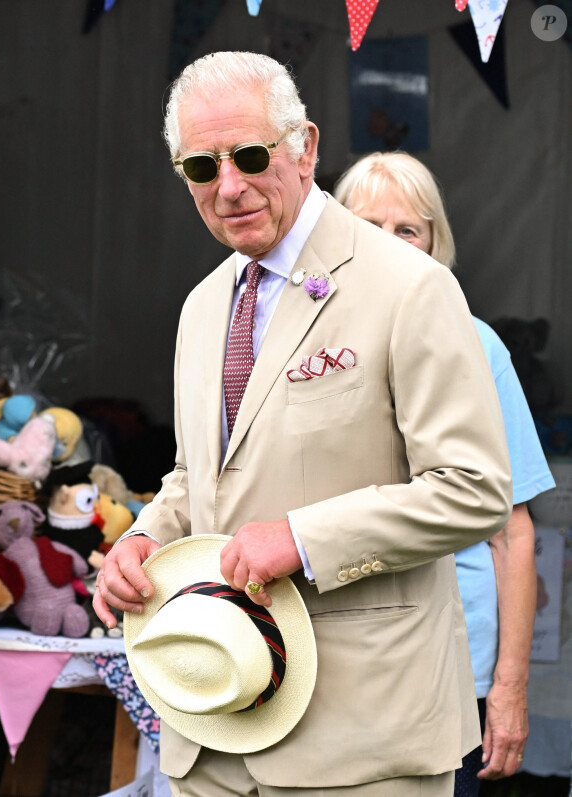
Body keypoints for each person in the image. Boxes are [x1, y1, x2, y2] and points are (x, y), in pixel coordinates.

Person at [94, 51, 513, 796]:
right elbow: (201, 476)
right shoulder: (201, 306)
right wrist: (143, 538)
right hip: (213, 722)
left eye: (251, 155)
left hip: (361, 739)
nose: (228, 186)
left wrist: (304, 537)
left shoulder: (410, 285)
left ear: (306, 146)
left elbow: (474, 489)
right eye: (200, 167)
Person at [333, 150, 555, 796]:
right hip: (330, 660)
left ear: (435, 244)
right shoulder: (301, 347)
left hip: (449, 671)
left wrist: (510, 689)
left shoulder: (478, 346)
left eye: (409, 229)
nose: (390, 245)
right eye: (369, 226)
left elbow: (513, 531)